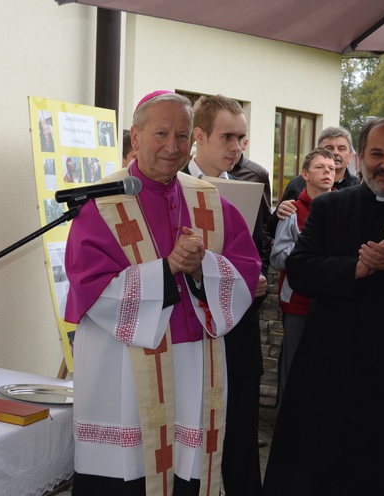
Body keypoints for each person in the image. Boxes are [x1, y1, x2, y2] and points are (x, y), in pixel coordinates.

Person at [64, 90, 261, 496]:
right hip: (124, 370)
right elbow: (91, 286)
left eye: (183, 135)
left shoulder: (209, 201)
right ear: (135, 138)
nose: (173, 147)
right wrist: (168, 269)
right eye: (161, 134)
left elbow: (246, 269)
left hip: (194, 366)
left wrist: (203, 266)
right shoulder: (101, 202)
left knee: (187, 473)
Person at [262, 118, 384, 496]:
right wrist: (353, 268)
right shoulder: (329, 208)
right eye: (377, 154)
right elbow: (300, 269)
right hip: (331, 363)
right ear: (358, 158)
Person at [184, 94, 267, 496]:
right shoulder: (171, 188)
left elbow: (260, 252)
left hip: (237, 338)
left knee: (238, 440)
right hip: (190, 334)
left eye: (242, 138)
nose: (237, 148)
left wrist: (260, 280)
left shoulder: (253, 185)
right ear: (199, 136)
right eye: (228, 137)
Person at [269, 148, 335, 407]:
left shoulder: (345, 206)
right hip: (298, 302)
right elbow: (277, 257)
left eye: (331, 167)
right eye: (320, 167)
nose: (328, 171)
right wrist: (312, 256)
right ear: (305, 175)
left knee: (327, 366)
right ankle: (287, 423)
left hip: (333, 300)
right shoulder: (292, 211)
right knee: (294, 365)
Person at [269, 126, 360, 235]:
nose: (335, 153)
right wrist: (279, 213)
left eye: (341, 148)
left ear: (350, 155)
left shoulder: (358, 187)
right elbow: (273, 229)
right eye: (329, 148)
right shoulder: (297, 184)